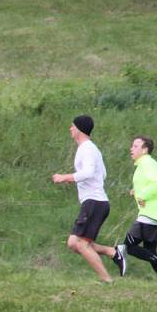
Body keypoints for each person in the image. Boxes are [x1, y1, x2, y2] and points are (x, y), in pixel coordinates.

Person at [51, 115, 118, 283]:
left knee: (81, 244)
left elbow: (88, 173)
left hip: (94, 202)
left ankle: (107, 280)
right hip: (96, 202)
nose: (70, 129)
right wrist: (78, 180)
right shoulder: (91, 148)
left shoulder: (86, 148)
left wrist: (65, 177)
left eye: (72, 126)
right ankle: (113, 252)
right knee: (73, 242)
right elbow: (102, 174)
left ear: (79, 129)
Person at [113, 136, 157, 284]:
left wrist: (142, 195)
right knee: (150, 251)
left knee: (129, 246)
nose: (131, 149)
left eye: (135, 146)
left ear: (145, 149)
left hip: (149, 214)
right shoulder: (150, 164)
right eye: (132, 146)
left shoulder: (146, 163)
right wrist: (137, 191)